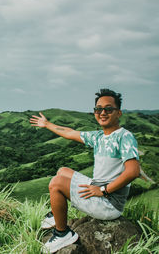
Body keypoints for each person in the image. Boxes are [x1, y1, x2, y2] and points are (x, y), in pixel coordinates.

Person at [29, 88, 140, 253]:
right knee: (63, 171)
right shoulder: (99, 137)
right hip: (99, 189)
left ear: (119, 113)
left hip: (109, 203)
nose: (102, 112)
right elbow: (70, 132)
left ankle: (62, 233)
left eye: (108, 109)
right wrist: (46, 124)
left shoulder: (124, 137)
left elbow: (133, 172)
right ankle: (56, 213)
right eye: (98, 109)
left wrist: (103, 190)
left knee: (56, 184)